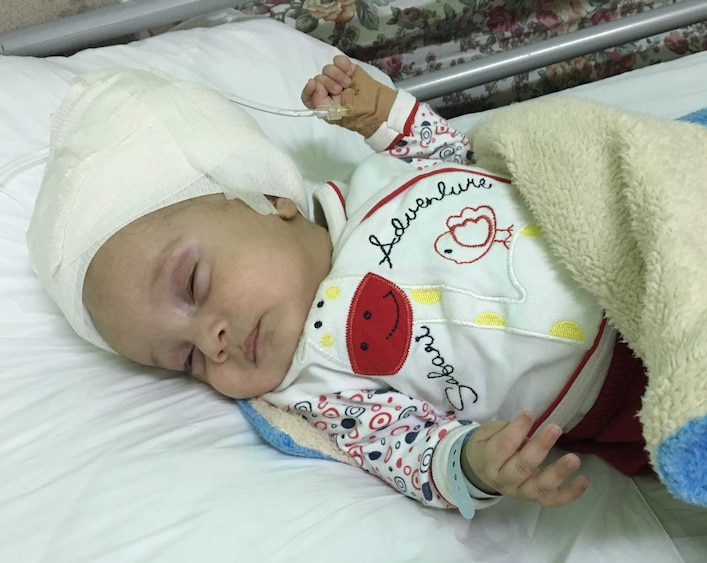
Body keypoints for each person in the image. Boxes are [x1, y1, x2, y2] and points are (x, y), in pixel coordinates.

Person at [27, 57, 651, 518]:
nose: (210, 339)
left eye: (193, 284)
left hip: (626, 235)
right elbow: (402, 446)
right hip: (618, 392)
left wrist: (383, 115)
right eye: (185, 358)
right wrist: (472, 464)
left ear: (269, 200)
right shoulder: (317, 387)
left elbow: (464, 162)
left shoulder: (376, 179)